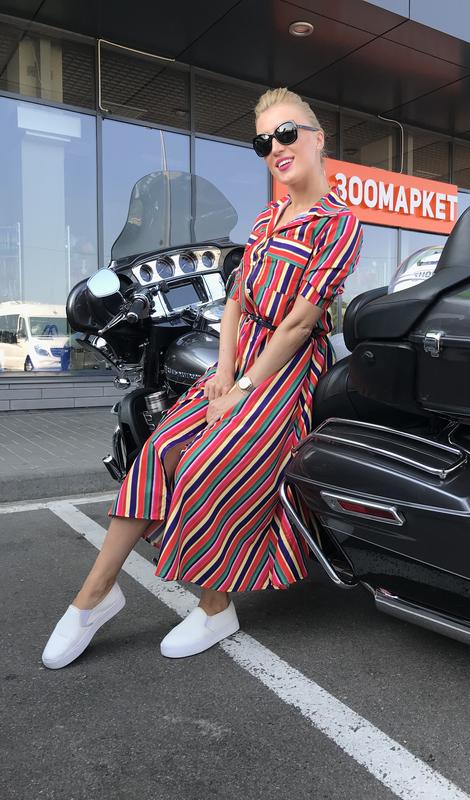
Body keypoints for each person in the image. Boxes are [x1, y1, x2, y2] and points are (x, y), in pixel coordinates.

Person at [42, 87, 363, 669]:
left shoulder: (339, 223)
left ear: (318, 138)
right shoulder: (268, 218)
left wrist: (241, 389)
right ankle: (95, 596)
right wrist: (223, 373)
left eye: (286, 133)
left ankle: (216, 607)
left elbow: (298, 324)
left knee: (202, 463)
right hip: (239, 358)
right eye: (263, 142)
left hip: (288, 371)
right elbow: (237, 302)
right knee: (158, 448)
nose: (276, 148)